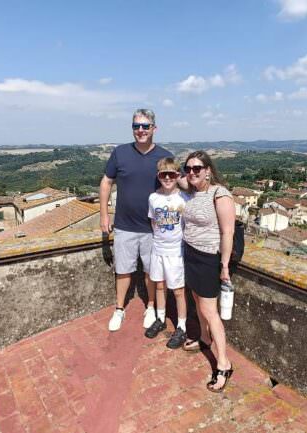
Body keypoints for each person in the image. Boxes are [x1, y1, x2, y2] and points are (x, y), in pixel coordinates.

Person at [100, 109, 173, 332]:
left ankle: (150, 307)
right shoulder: (120, 153)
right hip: (124, 225)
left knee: (152, 272)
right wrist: (104, 214)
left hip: (153, 228)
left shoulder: (163, 157)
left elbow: (174, 186)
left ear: (154, 128)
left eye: (145, 126)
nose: (140, 130)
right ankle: (119, 309)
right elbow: (106, 182)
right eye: (136, 126)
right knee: (123, 270)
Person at [181, 150, 235, 392]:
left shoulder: (219, 194)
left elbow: (228, 232)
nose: (191, 172)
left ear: (208, 171)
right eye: (188, 168)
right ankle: (204, 338)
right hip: (190, 253)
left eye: (197, 169)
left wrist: (224, 265)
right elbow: (168, 173)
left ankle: (223, 363)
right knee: (195, 299)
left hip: (208, 258)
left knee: (209, 311)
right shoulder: (192, 190)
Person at [144, 157, 189, 349]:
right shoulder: (153, 198)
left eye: (172, 174)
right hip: (158, 249)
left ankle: (182, 326)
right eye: (164, 174)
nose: (168, 178)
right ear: (158, 176)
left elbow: (186, 225)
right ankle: (161, 319)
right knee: (160, 286)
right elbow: (154, 222)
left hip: (175, 252)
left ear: (178, 175)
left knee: (178, 291)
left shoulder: (184, 198)